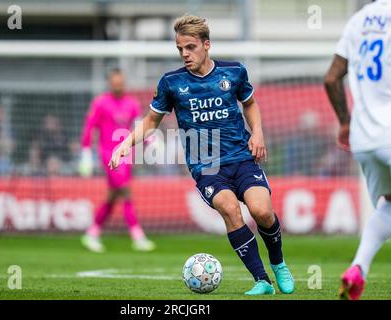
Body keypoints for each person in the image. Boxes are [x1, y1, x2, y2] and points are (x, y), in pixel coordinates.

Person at [109, 15, 294, 295]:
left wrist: (257, 133)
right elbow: (150, 122)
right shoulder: (171, 82)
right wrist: (125, 144)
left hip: (242, 157)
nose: (185, 53)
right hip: (206, 167)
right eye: (180, 48)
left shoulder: (234, 71)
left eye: (190, 47)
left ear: (206, 45)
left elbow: (251, 104)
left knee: (262, 211)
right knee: (230, 210)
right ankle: (262, 280)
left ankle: (279, 263)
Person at [325, 0, 391, 300]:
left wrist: (345, 123)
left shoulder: (358, 20)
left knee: (388, 205)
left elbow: (331, 78)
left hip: (365, 139)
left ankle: (358, 269)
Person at [79, 69, 156, 253]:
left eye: (120, 82)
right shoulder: (101, 103)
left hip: (126, 154)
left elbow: (140, 126)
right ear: (110, 83)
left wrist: (151, 142)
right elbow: (89, 128)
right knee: (125, 191)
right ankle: (137, 236)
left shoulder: (132, 103)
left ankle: (92, 233)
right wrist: (86, 153)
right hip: (108, 154)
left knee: (113, 197)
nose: (118, 85)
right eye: (115, 82)